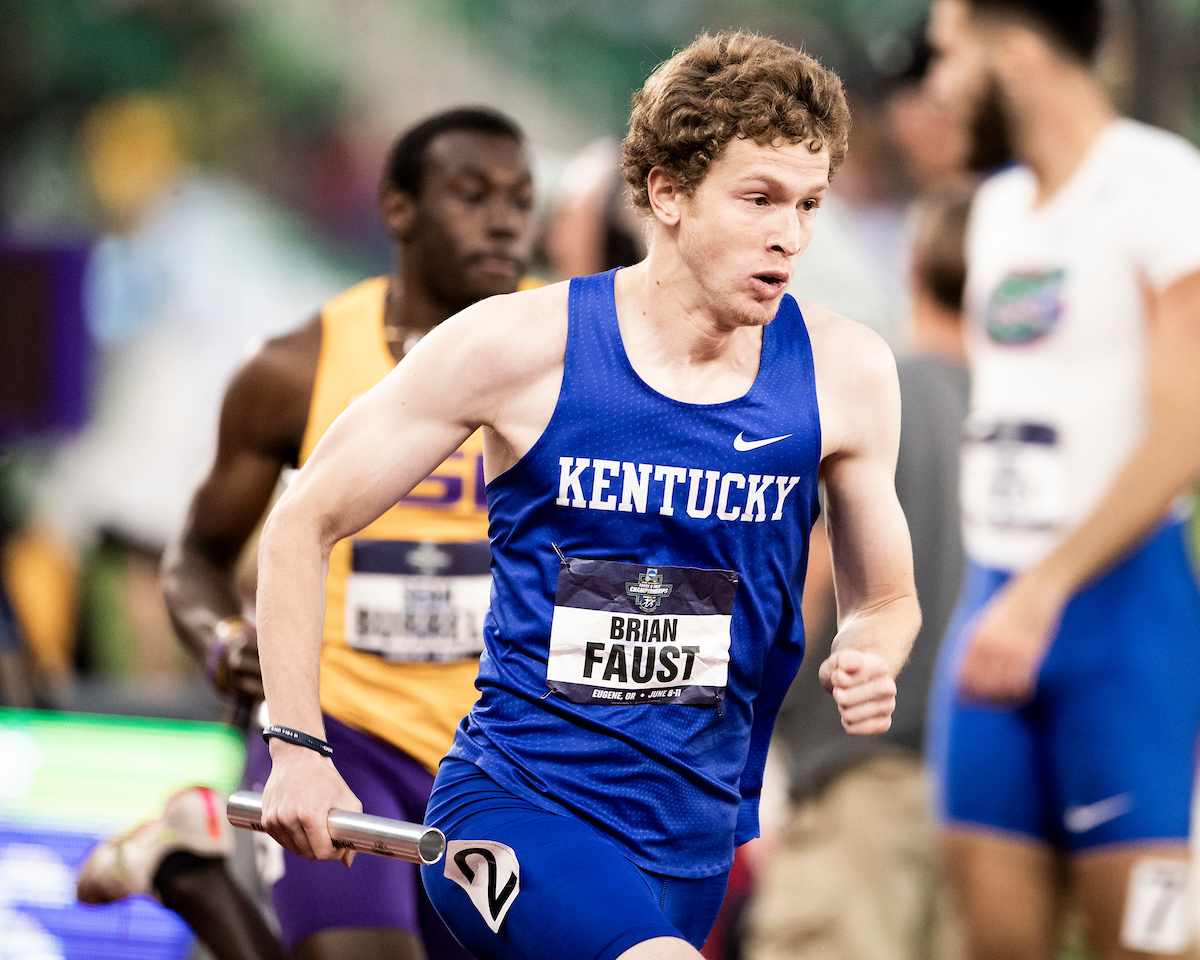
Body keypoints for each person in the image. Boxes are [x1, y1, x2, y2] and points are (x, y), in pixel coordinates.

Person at [255, 32, 921, 960]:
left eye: (809, 204)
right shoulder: (518, 347)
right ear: (666, 193)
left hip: (694, 839)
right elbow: (302, 520)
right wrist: (296, 746)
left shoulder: (845, 373)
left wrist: (871, 651)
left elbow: (884, 598)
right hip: (514, 807)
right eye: (760, 199)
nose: (791, 235)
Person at [76, 106, 539, 960]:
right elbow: (198, 556)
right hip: (341, 732)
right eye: (471, 194)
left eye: (520, 197)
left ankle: (193, 875)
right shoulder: (297, 370)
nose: (505, 217)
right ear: (398, 209)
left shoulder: (558, 364)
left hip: (496, 752)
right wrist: (222, 639)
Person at [924, 3, 1200, 959]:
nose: (939, 82)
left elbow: (1188, 426)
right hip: (994, 608)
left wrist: (1049, 587)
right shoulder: (996, 207)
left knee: (1152, 944)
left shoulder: (1162, 184)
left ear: (1018, 51)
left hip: (1123, 623)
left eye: (951, 54)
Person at [745, 182, 974, 960]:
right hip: (989, 805)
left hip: (860, 784)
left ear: (914, 264)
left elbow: (798, 588)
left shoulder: (877, 395)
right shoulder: (1034, 425)